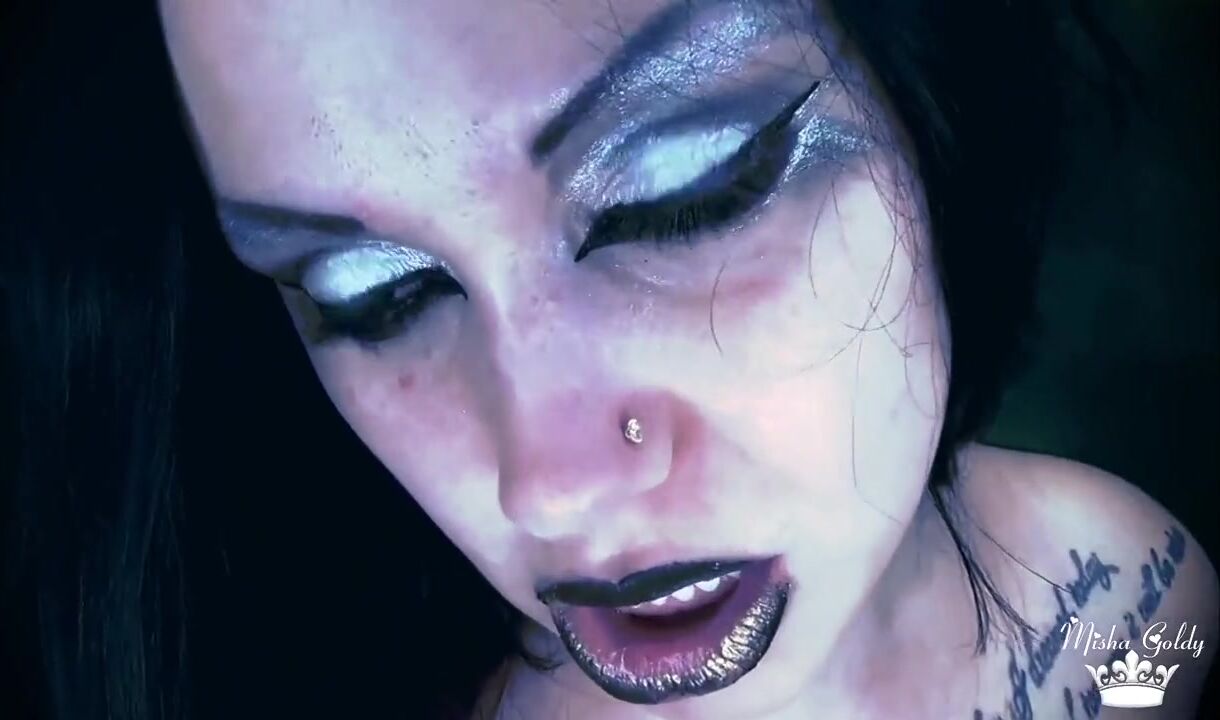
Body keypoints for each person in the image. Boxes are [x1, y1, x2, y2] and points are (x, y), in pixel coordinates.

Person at [1, 1, 1215, 719]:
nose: (548, 486)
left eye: (683, 196)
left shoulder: (1136, 597)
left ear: (934, 94)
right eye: (375, 295)